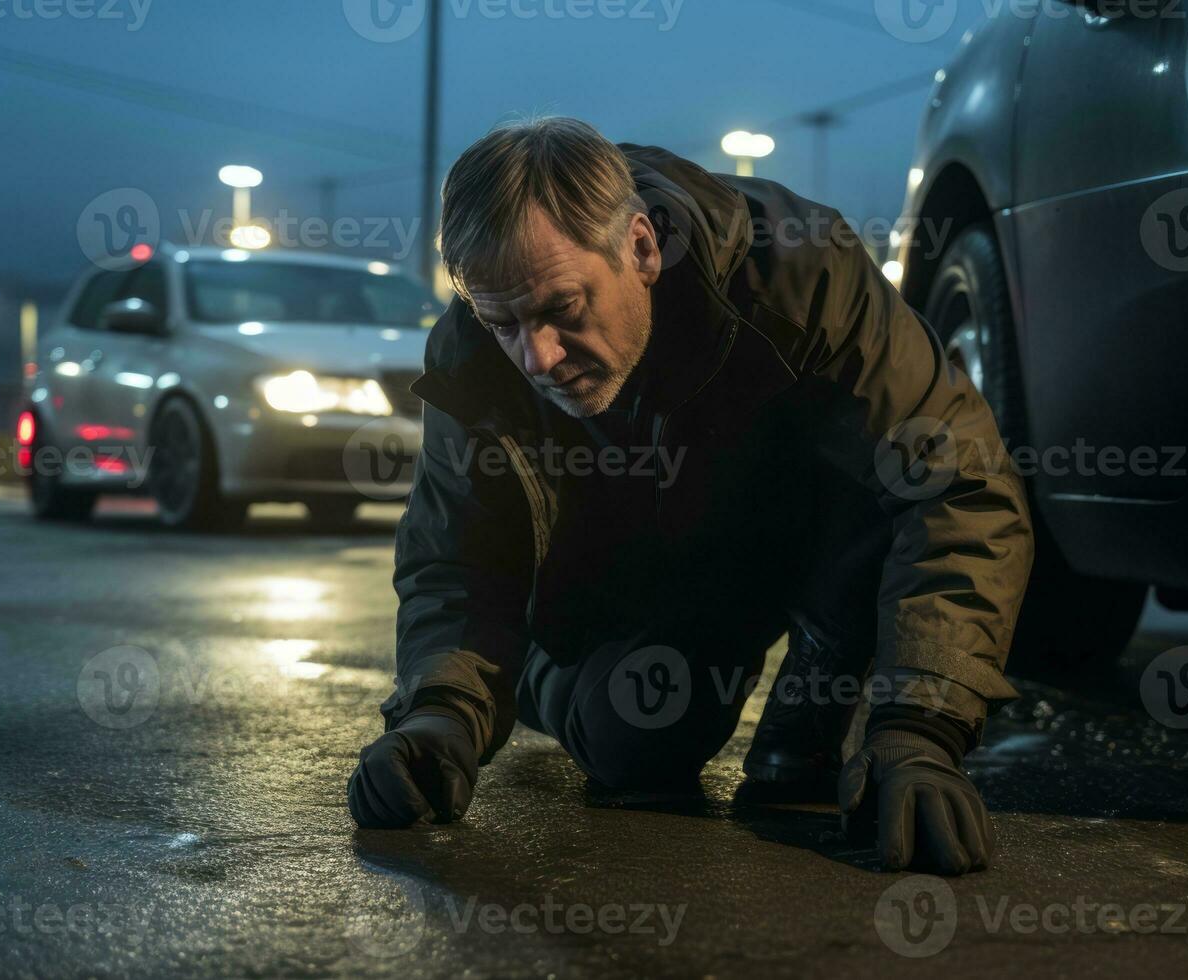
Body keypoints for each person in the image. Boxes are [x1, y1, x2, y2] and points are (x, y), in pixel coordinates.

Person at [347, 117, 1033, 875]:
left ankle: (822, 680)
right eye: (502, 320)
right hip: (641, 591)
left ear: (641, 247)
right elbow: (457, 557)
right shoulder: (474, 356)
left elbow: (958, 485)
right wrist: (442, 710)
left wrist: (923, 726)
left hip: (799, 537)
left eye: (563, 309)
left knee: (896, 476)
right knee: (635, 745)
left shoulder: (803, 275)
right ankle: (592, 686)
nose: (535, 356)